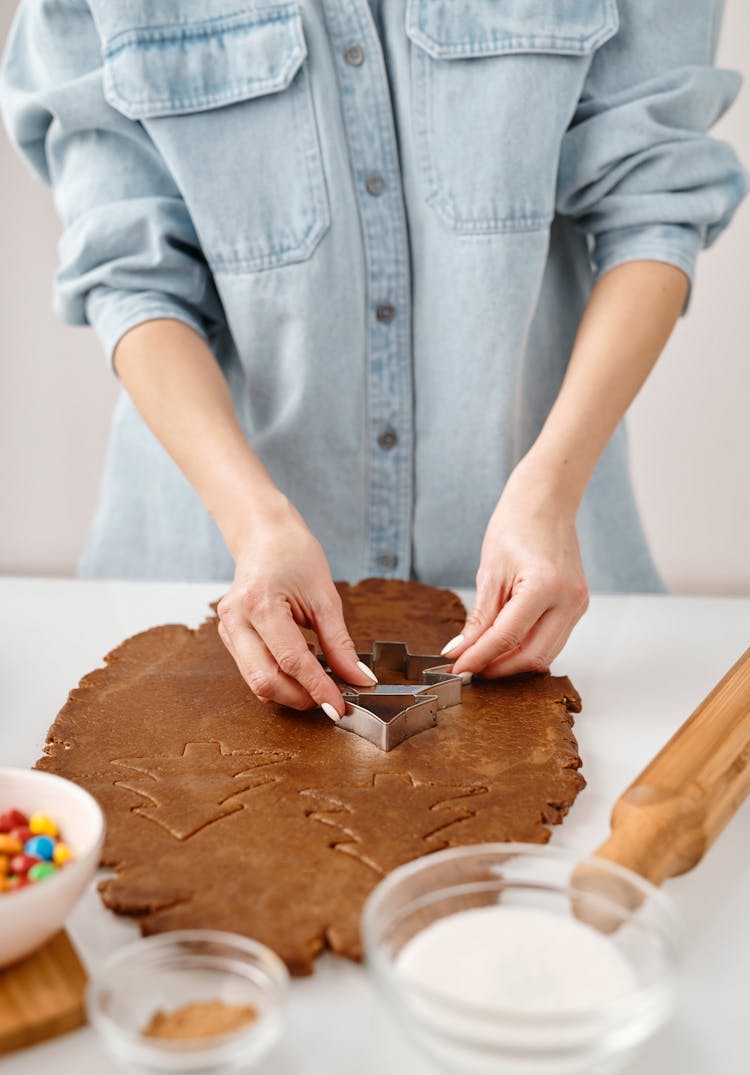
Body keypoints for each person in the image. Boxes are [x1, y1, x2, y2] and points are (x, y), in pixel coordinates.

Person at [1, 1, 746, 721]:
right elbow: (132, 272)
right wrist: (254, 523)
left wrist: (552, 487)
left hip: (547, 597)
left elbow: (654, 205)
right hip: (198, 577)